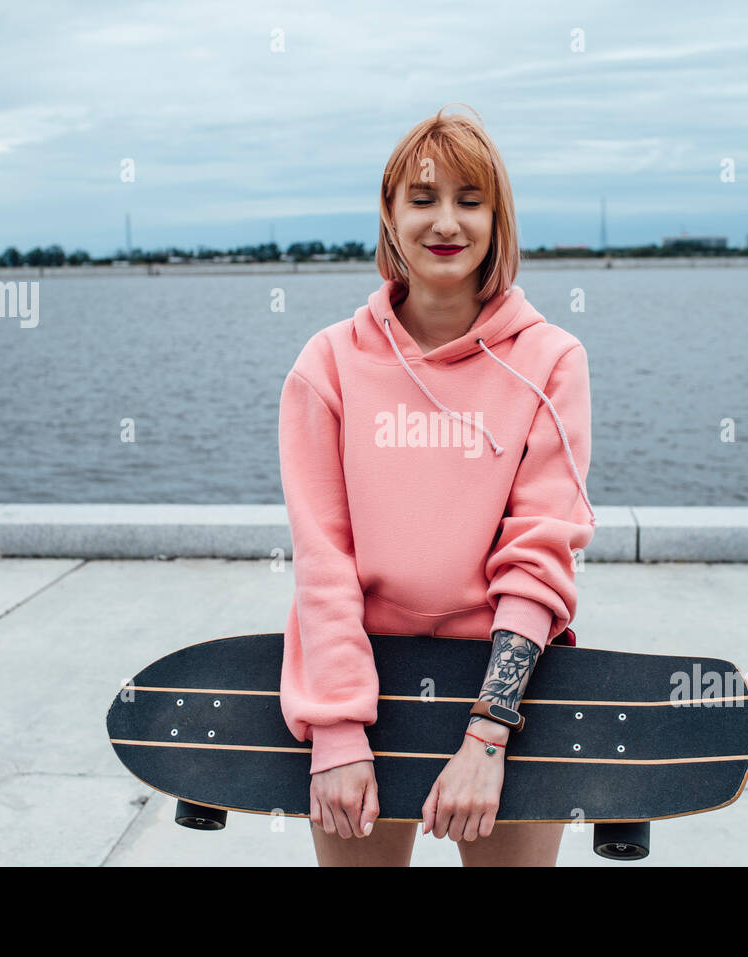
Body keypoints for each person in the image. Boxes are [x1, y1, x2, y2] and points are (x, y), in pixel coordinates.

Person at [277, 103, 596, 866]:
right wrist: (341, 727)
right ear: (390, 216)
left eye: (469, 199)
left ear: (498, 217)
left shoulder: (551, 360)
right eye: (422, 199)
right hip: (363, 684)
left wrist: (489, 733)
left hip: (504, 692)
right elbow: (323, 562)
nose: (445, 221)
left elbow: (539, 555)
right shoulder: (327, 364)